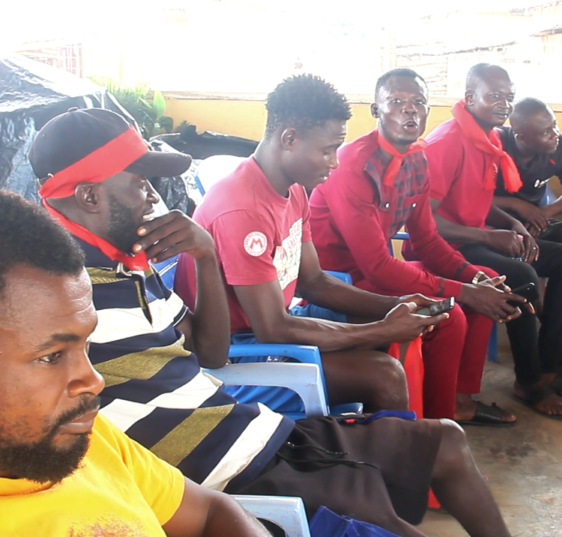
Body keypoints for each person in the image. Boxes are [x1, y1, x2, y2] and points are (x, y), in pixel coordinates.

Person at [22, 106, 517, 537]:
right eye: (139, 182)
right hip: (225, 469)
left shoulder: (129, 264)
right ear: (89, 196)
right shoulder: (61, 299)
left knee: (445, 439)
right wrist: (383, 328)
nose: (152, 196)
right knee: (388, 518)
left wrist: (206, 255)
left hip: (253, 430)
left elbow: (209, 353)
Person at [0, 187, 277, 537]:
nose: (93, 380)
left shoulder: (86, 436)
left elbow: (210, 513)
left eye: (86, 346)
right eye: (50, 356)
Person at [174, 73, 464, 418]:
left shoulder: (293, 188)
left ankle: (389, 430)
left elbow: (314, 281)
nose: (335, 161)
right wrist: (379, 330)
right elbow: (273, 329)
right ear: (289, 139)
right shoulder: (242, 210)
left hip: (275, 322)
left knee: (402, 322)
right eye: (327, 150)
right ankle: (378, 447)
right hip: (238, 350)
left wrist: (396, 304)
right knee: (384, 376)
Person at [309, 68, 525, 425]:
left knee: (487, 279)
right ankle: (433, 425)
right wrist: (464, 292)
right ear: (376, 111)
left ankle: (460, 400)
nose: (409, 109)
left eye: (418, 102)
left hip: (374, 272)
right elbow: (378, 267)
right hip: (339, 283)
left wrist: (474, 280)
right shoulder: (352, 166)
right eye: (396, 101)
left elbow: (426, 239)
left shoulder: (417, 159)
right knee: (449, 314)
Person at [421, 63, 562, 420]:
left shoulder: (489, 138)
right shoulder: (447, 142)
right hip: (447, 246)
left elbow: (478, 198)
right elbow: (426, 223)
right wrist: (489, 235)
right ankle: (529, 382)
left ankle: (547, 370)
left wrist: (515, 225)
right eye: (494, 96)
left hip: (476, 235)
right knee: (521, 275)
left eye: (508, 96)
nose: (504, 104)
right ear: (470, 98)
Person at [491, 97, 562, 379]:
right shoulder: (495, 144)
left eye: (555, 126)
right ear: (521, 137)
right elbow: (473, 198)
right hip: (495, 225)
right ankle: (551, 336)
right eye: (545, 131)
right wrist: (517, 206)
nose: (555, 135)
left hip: (534, 221)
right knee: (533, 258)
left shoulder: (557, 146)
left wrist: (544, 212)